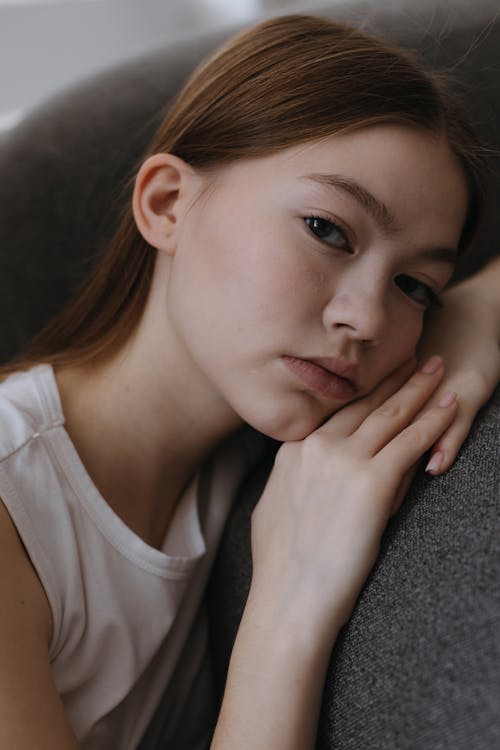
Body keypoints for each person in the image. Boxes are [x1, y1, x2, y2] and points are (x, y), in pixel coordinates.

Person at [0, 13, 498, 750]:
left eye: (414, 286)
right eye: (328, 229)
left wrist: (460, 345)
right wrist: (287, 612)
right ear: (168, 203)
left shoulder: (236, 454)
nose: (365, 319)